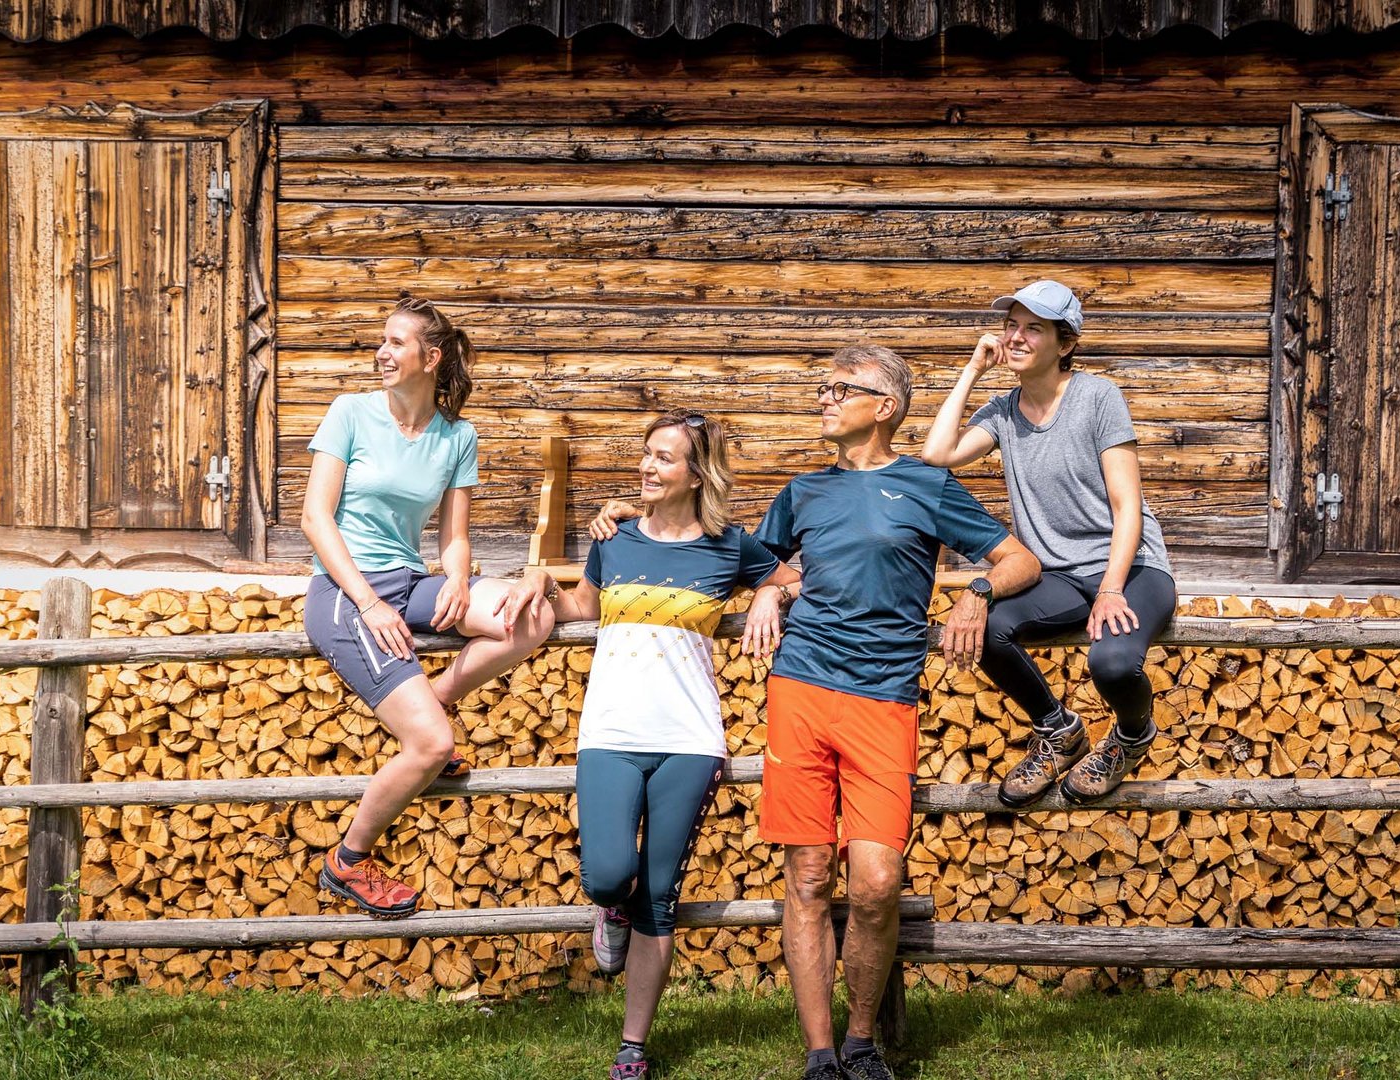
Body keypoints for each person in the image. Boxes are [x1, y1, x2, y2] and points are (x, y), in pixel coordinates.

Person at [593, 347, 1040, 1080]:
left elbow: (1019, 558)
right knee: (806, 877)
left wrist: (976, 593)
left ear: (886, 406)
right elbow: (749, 558)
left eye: (841, 389)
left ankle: (864, 1039)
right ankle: (824, 1054)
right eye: (823, 387)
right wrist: (767, 587)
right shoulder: (803, 492)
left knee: (874, 881)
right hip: (800, 689)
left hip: (884, 697)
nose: (825, 399)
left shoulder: (926, 484)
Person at [557, 410, 800, 1079]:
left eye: (664, 458)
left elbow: (788, 578)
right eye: (645, 453)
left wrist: (765, 600)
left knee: (659, 894)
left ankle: (632, 1048)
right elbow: (581, 608)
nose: (647, 466)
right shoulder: (617, 541)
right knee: (610, 873)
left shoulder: (729, 547)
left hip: (688, 740)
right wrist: (526, 586)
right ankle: (608, 908)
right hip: (608, 732)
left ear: (697, 474)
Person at [300, 295, 558, 918]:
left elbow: (456, 537)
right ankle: (349, 861)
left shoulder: (456, 436)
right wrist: (369, 603)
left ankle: (437, 693)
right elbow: (314, 518)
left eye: (395, 342)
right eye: (381, 341)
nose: (381, 353)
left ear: (430, 357)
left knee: (532, 617)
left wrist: (461, 581)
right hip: (344, 593)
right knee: (433, 746)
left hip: (413, 580)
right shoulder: (350, 414)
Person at [920, 280, 1176, 806]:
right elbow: (937, 453)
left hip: (1132, 569)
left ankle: (1131, 738)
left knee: (1111, 664)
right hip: (1059, 576)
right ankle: (1058, 730)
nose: (1014, 337)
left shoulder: (1097, 397)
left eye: (1032, 328)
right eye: (1011, 325)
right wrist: (972, 368)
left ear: (1065, 343)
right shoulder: (1002, 411)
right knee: (989, 629)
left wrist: (1110, 589)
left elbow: (1128, 505)